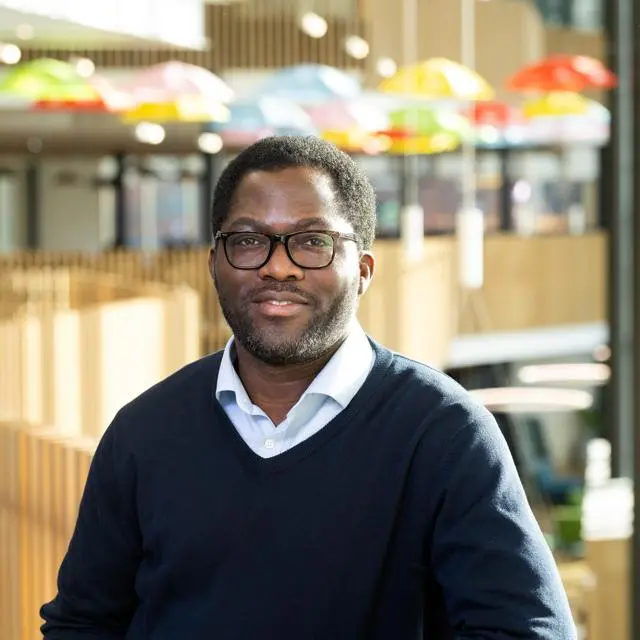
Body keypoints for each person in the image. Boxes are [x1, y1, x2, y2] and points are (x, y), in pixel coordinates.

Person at [41, 136, 576, 639]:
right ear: (214, 264)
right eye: (248, 241)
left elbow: (524, 628)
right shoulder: (145, 432)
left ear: (363, 269)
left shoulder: (443, 433)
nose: (278, 267)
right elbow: (82, 625)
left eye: (312, 242)